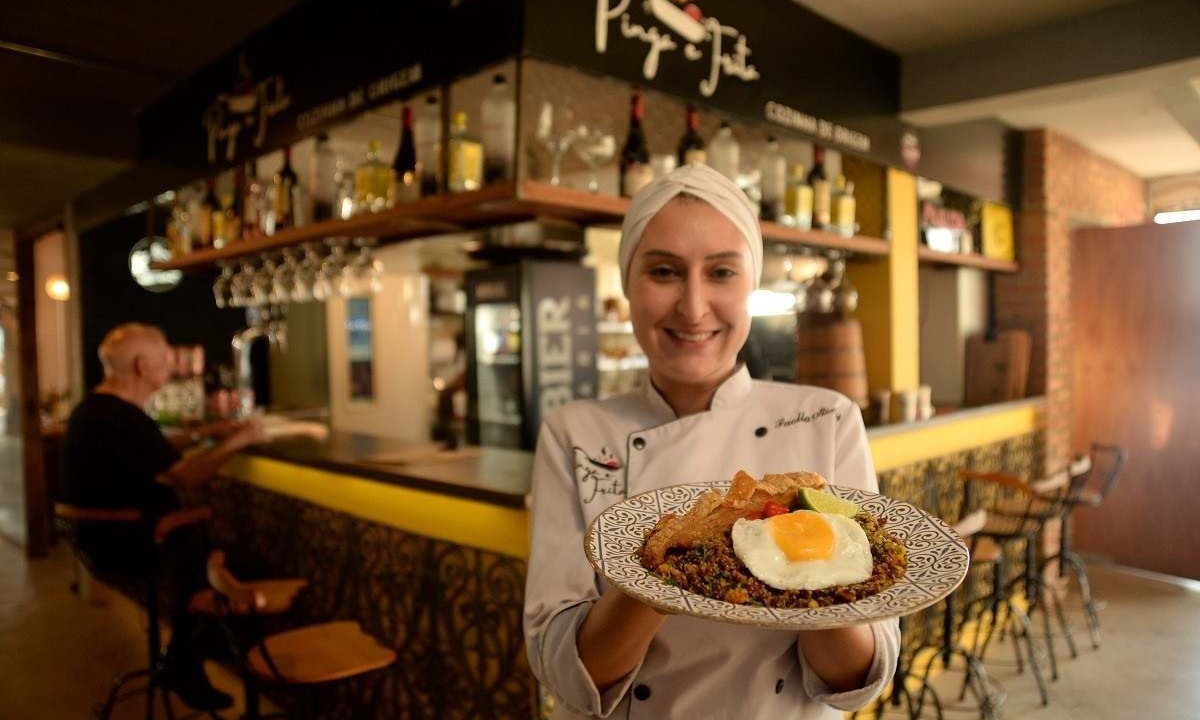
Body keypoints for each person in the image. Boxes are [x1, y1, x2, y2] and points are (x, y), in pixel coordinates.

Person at [523, 164, 899, 719]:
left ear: (752, 284)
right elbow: (566, 672)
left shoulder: (827, 418)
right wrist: (671, 557)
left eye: (722, 272)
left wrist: (810, 560)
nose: (693, 307)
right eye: (664, 271)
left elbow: (857, 681)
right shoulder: (573, 433)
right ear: (628, 283)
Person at [61, 323, 268, 711]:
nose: (171, 366)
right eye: (164, 358)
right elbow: (185, 477)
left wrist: (208, 432)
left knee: (212, 561)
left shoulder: (99, 410)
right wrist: (242, 440)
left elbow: (148, 448)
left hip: (102, 543)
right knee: (246, 568)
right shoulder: (122, 417)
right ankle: (187, 662)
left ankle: (182, 659)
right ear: (142, 366)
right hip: (138, 545)